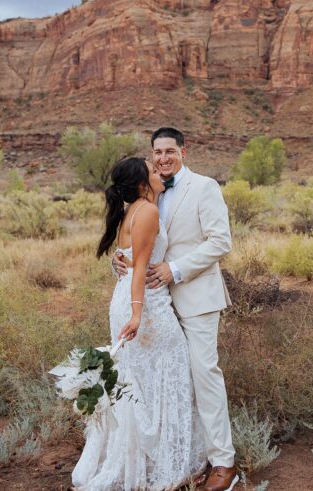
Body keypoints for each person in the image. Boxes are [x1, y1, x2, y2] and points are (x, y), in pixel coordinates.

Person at [113, 128, 238, 491]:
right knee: (168, 382)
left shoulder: (204, 187)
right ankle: (183, 456)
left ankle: (223, 463)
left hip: (195, 297)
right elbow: (139, 246)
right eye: (157, 152)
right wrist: (120, 264)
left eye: (170, 151)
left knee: (204, 375)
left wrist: (175, 269)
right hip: (157, 307)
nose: (164, 158)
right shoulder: (149, 193)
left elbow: (220, 241)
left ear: (184, 150)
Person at [71, 157, 206, 491]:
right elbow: (141, 268)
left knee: (141, 383)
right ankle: (169, 466)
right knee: (171, 373)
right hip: (145, 307)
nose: (157, 168)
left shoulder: (135, 209)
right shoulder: (147, 212)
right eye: (151, 167)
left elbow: (131, 261)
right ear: (142, 181)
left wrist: (127, 278)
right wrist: (136, 314)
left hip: (130, 299)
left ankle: (146, 461)